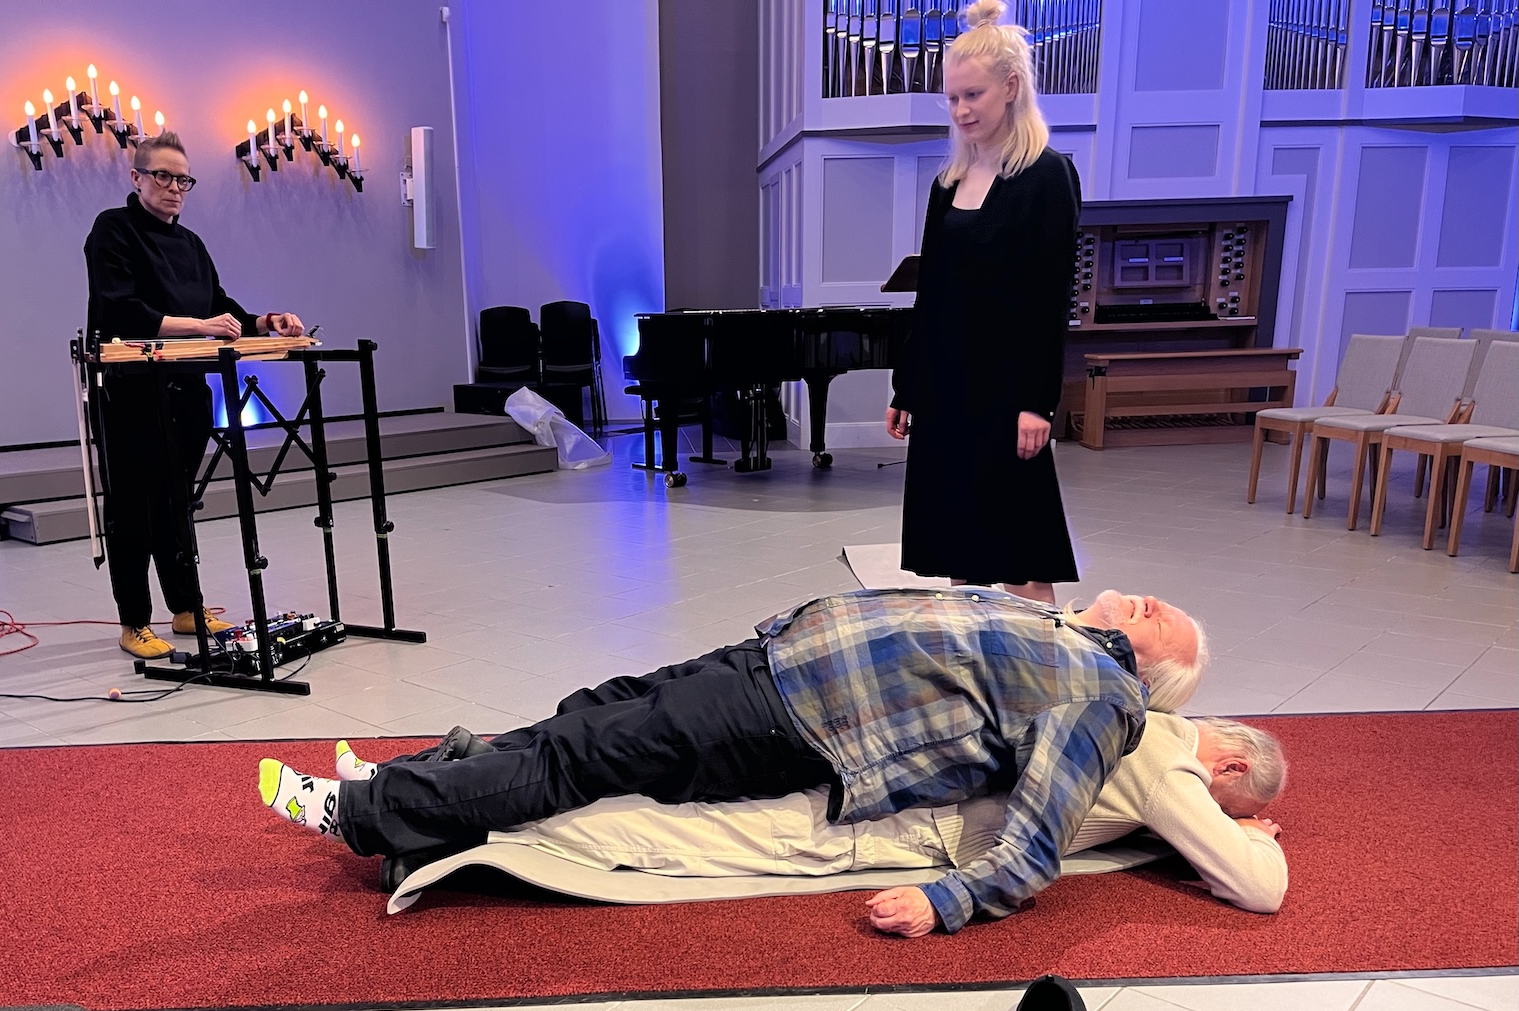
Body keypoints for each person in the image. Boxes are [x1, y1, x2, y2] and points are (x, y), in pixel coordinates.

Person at [260, 587, 1211, 936]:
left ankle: (366, 813)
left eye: (1161, 616)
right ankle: (406, 783)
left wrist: (946, 900)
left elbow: (1036, 841)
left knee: (580, 755)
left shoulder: (1103, 697)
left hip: (793, 718)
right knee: (583, 716)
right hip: (772, 658)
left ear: (1158, 663)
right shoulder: (1046, 617)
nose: (1145, 600)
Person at [341, 712, 1289, 922]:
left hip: (888, 758)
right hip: (913, 824)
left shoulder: (1136, 708)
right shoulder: (1173, 766)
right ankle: (464, 830)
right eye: (1226, 794)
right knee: (681, 837)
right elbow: (1259, 892)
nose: (1208, 808)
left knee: (670, 783)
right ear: (1231, 762)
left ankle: (462, 783)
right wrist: (1234, 838)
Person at [885, 0, 1080, 605]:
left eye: (974, 95)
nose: (962, 110)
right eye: (953, 98)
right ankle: (969, 682)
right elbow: (933, 297)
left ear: (1011, 87)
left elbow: (1049, 298)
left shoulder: (1047, 175)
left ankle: (1039, 680)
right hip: (946, 393)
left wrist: (1035, 402)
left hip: (1005, 394)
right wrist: (907, 389)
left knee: (1021, 550)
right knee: (958, 544)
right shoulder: (947, 183)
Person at [84, 132, 305, 660]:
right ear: (136, 178)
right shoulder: (112, 229)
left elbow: (221, 306)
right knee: (133, 509)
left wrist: (264, 321)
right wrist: (200, 326)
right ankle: (134, 620)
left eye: (183, 179)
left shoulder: (192, 244)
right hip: (131, 393)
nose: (174, 188)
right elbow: (121, 310)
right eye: (162, 176)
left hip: (186, 393)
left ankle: (185, 607)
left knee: (177, 504)